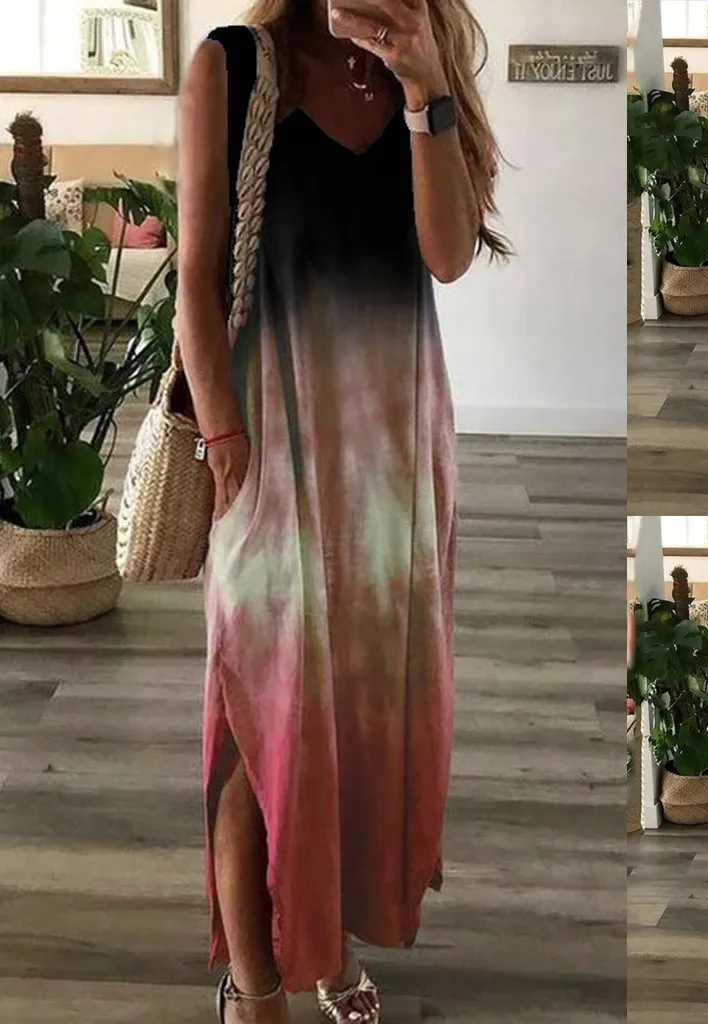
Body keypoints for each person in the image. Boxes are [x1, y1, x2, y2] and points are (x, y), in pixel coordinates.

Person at [175, 0, 509, 1020]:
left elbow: (446, 255)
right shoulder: (233, 67)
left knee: (356, 720)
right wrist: (224, 439)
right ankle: (255, 988)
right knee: (260, 716)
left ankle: (324, 942)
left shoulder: (425, 65)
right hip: (267, 447)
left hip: (393, 463)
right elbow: (194, 281)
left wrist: (424, 88)